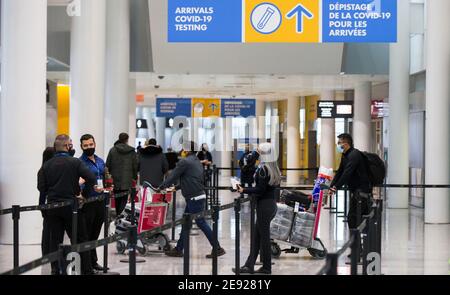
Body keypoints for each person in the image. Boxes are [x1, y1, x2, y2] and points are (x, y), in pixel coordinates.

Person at [38, 134, 97, 275]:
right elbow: (91, 178)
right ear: (67, 146)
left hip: (53, 208)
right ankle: (86, 269)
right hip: (72, 207)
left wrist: (43, 208)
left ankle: (55, 269)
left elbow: (41, 188)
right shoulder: (75, 162)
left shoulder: (46, 166)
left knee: (55, 240)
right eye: (70, 144)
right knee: (80, 238)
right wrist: (84, 195)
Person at [159, 141, 226, 259]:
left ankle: (217, 248)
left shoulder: (184, 162)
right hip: (197, 195)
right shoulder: (196, 161)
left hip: (194, 197)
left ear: (186, 150)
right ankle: (179, 249)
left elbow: (173, 175)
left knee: (201, 222)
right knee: (186, 223)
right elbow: (191, 178)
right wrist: (177, 187)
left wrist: (162, 186)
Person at [233, 142, 281, 275]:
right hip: (270, 205)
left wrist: (244, 189)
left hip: (264, 206)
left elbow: (259, 190)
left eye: (259, 152)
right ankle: (249, 266)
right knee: (257, 237)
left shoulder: (264, 169)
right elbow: (249, 166)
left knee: (264, 239)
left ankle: (266, 269)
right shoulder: (272, 167)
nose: (256, 153)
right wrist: (255, 154)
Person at [329, 133, 372, 230]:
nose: (338, 145)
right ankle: (358, 243)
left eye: (339, 143)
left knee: (353, 218)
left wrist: (336, 187)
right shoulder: (345, 155)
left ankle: (357, 244)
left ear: (346, 144)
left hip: (362, 192)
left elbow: (347, 173)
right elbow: (340, 171)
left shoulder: (354, 155)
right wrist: (332, 185)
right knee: (357, 218)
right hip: (356, 191)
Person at [79, 134, 108, 272]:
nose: (89, 147)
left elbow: (105, 177)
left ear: (94, 144)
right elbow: (78, 183)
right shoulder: (80, 163)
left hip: (100, 201)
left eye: (91, 144)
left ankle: (93, 261)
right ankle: (87, 265)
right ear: (81, 147)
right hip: (88, 202)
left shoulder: (100, 161)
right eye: (86, 145)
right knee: (87, 233)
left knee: (96, 233)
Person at [106, 133, 138, 216]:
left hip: (115, 180)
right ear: (127, 140)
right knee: (124, 199)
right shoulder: (132, 152)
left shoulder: (112, 150)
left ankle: (118, 215)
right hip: (127, 180)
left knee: (117, 199)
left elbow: (107, 165)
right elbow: (135, 166)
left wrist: (108, 179)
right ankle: (120, 216)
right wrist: (134, 177)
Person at [37, 147, 55, 256]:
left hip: (45, 202)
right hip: (48, 202)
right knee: (49, 230)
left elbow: (41, 189)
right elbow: (42, 190)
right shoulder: (46, 170)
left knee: (47, 229)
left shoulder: (42, 170)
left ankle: (46, 252)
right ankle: (47, 252)